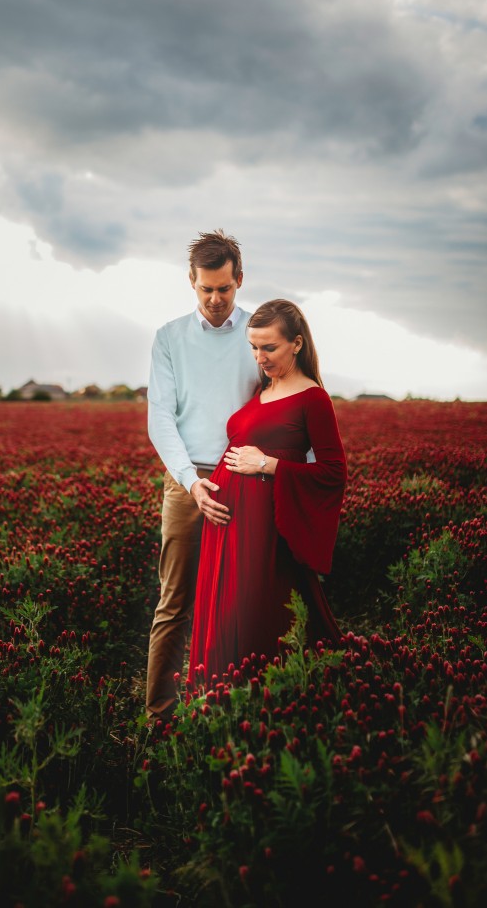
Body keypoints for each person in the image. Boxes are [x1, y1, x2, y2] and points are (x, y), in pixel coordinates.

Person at [187, 299, 347, 689]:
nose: (260, 357)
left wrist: (268, 465)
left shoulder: (313, 398)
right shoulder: (263, 388)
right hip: (225, 521)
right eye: (254, 348)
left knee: (252, 611)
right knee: (223, 610)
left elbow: (333, 472)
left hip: (263, 526)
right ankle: (216, 705)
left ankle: (256, 705)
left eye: (269, 347)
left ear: (296, 343)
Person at [146, 230, 261, 721]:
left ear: (239, 280)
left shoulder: (259, 331)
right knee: (174, 601)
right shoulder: (169, 337)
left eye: (225, 289)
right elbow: (160, 417)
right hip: (186, 480)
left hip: (247, 478)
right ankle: (160, 717)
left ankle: (232, 710)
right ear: (191, 282)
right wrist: (192, 480)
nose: (215, 300)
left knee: (244, 599)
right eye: (205, 289)